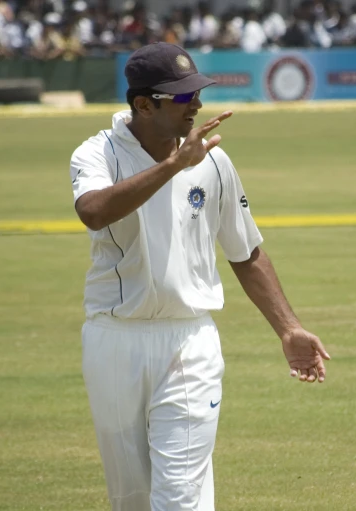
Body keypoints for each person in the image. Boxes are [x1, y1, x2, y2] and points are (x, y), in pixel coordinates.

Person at [69, 42, 330, 511]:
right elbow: (93, 211)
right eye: (184, 97)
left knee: (180, 497)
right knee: (131, 498)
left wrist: (288, 328)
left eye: (197, 93)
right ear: (143, 105)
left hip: (189, 341)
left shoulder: (213, 161)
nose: (199, 105)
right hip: (114, 339)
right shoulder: (97, 152)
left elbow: (245, 251)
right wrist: (172, 167)